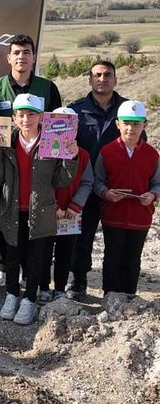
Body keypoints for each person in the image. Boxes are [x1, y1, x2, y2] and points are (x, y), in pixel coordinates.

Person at [0, 94, 77, 326]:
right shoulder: (7, 141)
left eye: (31, 114)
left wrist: (71, 156)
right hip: (12, 209)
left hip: (41, 210)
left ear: (40, 117)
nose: (26, 119)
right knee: (12, 256)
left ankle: (29, 299)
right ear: (14, 117)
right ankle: (11, 295)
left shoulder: (51, 140)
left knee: (37, 258)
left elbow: (62, 181)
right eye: (21, 114)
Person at [0, 34, 63, 288]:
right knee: (0, 212)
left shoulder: (47, 87)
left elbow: (56, 125)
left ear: (34, 57)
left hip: (38, 160)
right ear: (9, 58)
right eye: (16, 52)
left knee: (35, 217)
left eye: (26, 52)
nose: (21, 57)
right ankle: (1, 266)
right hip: (6, 162)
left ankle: (35, 273)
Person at [67, 60, 143, 300]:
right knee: (81, 237)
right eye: (97, 75)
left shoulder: (128, 110)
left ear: (115, 79)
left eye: (107, 74)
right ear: (89, 79)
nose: (102, 79)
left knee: (117, 241)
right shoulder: (76, 110)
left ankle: (116, 289)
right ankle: (79, 281)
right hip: (84, 186)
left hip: (118, 187)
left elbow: (139, 144)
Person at [94, 100, 160, 296]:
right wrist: (106, 193)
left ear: (144, 125)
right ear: (118, 124)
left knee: (133, 258)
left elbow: (157, 183)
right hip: (113, 214)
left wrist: (152, 195)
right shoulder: (106, 151)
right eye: (127, 123)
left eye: (136, 123)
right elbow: (97, 180)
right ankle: (110, 295)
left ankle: (130, 295)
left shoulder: (152, 154)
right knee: (112, 256)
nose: (131, 128)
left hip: (140, 216)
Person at [38, 107, 93, 302]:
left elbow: (87, 182)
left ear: (76, 127)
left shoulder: (83, 155)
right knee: (43, 252)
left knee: (65, 253)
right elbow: (40, 182)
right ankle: (43, 287)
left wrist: (74, 206)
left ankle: (60, 288)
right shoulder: (43, 152)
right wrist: (52, 207)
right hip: (47, 212)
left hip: (70, 214)